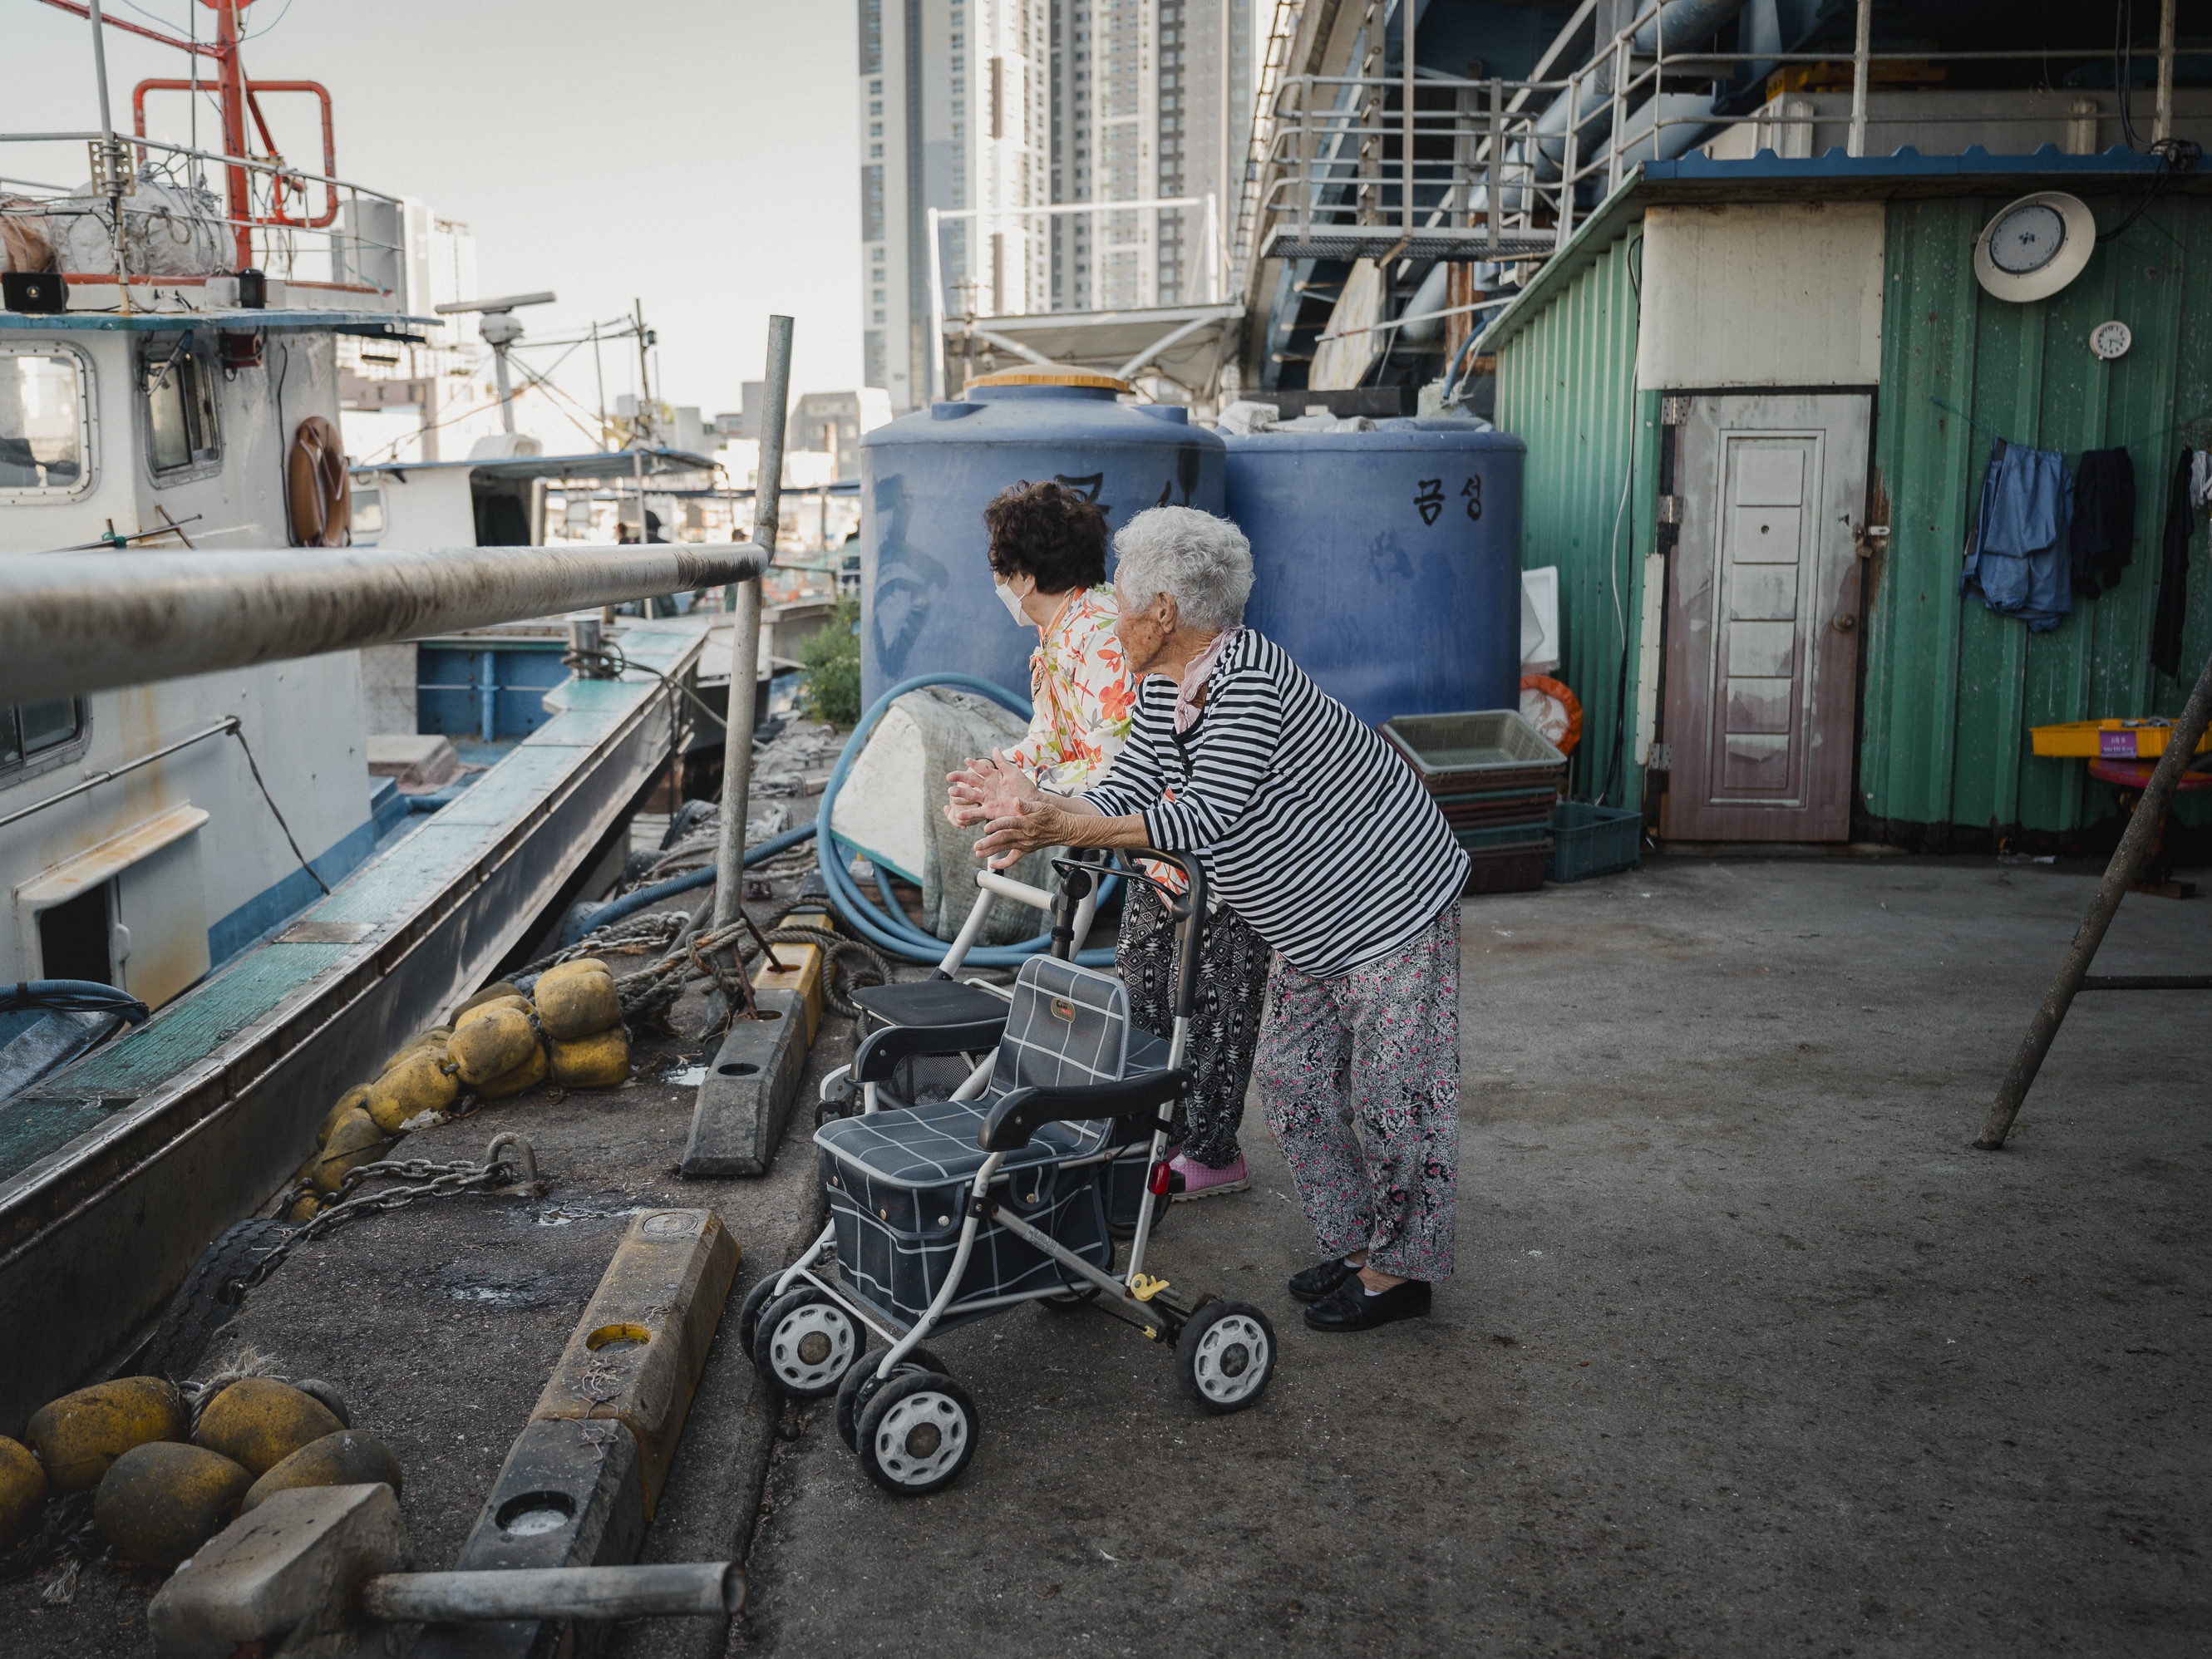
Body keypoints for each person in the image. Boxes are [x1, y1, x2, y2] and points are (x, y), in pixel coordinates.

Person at [961, 505, 1469, 1332]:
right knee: (1294, 1079)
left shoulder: (1248, 682)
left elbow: (1200, 818)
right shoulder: (1169, 685)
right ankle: (1352, 1244)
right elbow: (1130, 785)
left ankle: (1397, 1272)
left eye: (1119, 593)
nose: (1109, 606)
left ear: (1163, 610)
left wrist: (1061, 823)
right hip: (1310, 917)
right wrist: (1039, 806)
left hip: (1388, 901)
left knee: (1393, 1093)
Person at [946, 481, 1269, 1198]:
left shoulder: (1098, 634)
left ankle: (1210, 1152)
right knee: (1151, 989)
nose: (997, 580)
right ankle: (1155, 1140)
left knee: (1210, 995)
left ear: (1021, 574)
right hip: (1144, 843)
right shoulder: (1063, 638)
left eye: (998, 565)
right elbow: (1069, 745)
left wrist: (1041, 803)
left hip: (1196, 846)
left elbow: (1117, 754)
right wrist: (1003, 778)